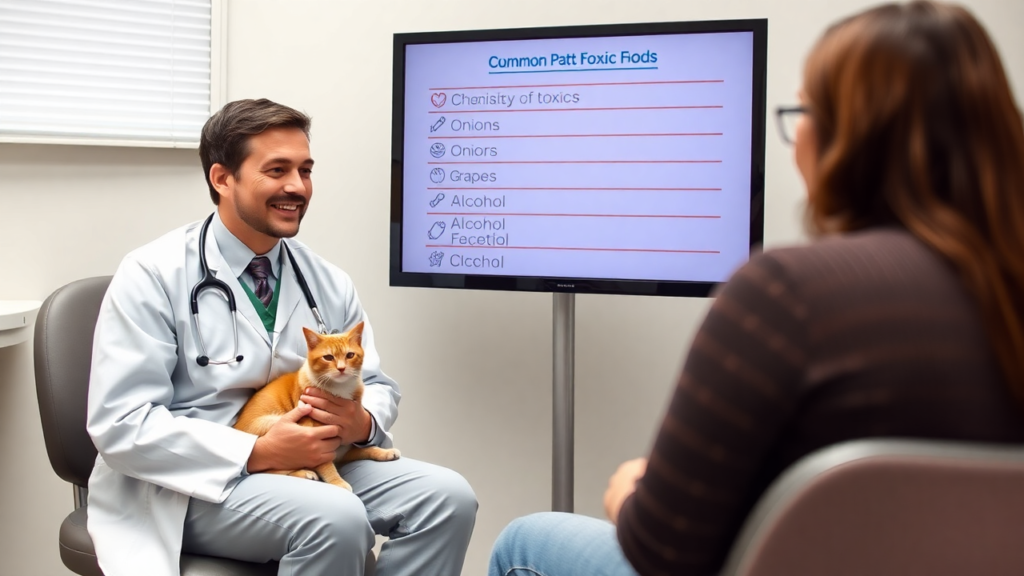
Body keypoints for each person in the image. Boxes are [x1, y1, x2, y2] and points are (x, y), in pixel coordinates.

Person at [488, 2, 1024, 575]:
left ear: (848, 138)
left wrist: (629, 493)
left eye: (805, 113)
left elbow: (662, 550)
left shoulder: (788, 295)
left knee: (526, 540)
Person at [86, 98, 477, 576]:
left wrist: (362, 422)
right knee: (336, 519)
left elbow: (376, 382)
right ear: (221, 179)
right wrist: (258, 451)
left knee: (448, 499)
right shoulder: (152, 273)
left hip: (318, 456)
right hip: (190, 479)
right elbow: (121, 424)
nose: (298, 186)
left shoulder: (325, 279)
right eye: (277, 170)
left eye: (305, 170)